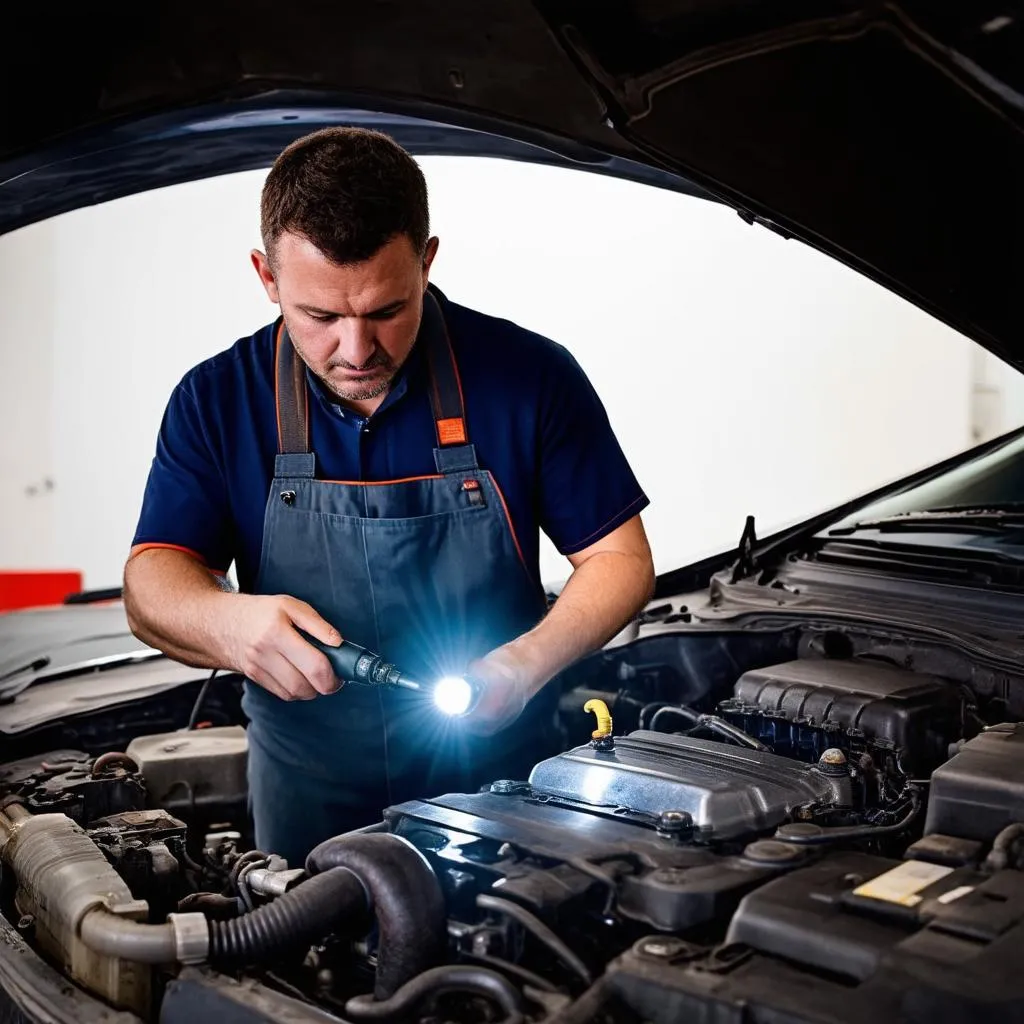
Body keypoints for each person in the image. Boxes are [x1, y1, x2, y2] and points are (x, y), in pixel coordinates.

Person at [123, 127, 655, 867]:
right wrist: (224, 620)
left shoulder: (530, 377)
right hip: (306, 790)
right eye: (321, 317)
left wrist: (524, 665)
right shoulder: (215, 400)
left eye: (386, 310)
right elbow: (151, 584)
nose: (356, 349)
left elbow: (620, 557)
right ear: (266, 277)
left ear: (427, 260)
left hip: (501, 780)